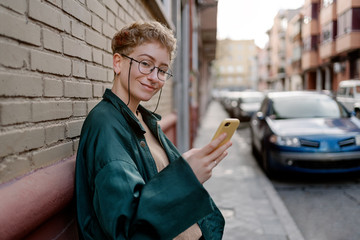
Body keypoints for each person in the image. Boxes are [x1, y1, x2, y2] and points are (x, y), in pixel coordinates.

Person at [75, 21, 232, 240]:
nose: (154, 77)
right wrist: (187, 178)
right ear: (118, 63)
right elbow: (128, 228)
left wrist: (187, 165)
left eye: (162, 70)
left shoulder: (144, 119)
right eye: (145, 63)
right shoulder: (106, 125)